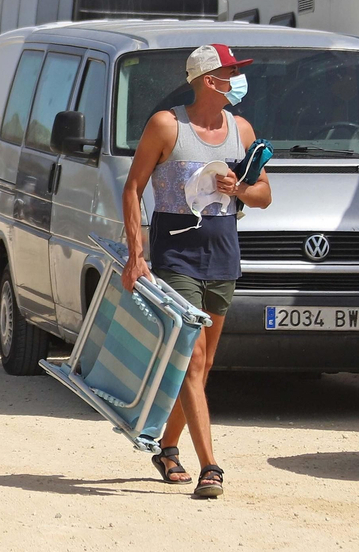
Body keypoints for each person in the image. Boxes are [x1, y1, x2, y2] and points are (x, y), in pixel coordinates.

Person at [121, 43, 271, 500]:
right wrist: (136, 253)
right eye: (231, 72)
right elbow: (133, 187)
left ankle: (167, 448)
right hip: (177, 257)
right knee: (195, 359)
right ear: (209, 80)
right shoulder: (167, 125)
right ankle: (211, 466)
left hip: (223, 254)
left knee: (202, 367)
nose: (238, 79)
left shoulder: (241, 129)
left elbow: (264, 195)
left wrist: (240, 187)